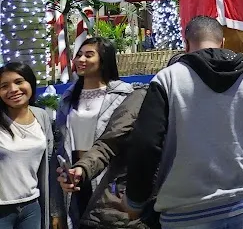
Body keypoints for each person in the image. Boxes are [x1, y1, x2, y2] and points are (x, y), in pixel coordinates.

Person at [124, 16, 243, 229]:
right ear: (222, 42)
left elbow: (146, 144)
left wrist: (135, 200)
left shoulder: (168, 79)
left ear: (186, 44)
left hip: (186, 213)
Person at [55, 37, 133, 227]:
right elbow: (60, 139)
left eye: (89, 55)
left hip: (109, 176)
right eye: (79, 55)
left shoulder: (124, 95)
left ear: (104, 60)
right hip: (74, 174)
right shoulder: (67, 98)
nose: (81, 60)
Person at [57, 85, 151, 229]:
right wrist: (82, 168)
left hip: (175, 207)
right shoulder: (143, 97)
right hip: (121, 206)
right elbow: (108, 143)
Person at [0, 62, 60, 229]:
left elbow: (48, 162)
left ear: (30, 83)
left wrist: (54, 210)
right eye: (4, 86)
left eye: (19, 82)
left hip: (32, 206)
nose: (13, 89)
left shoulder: (41, 116)